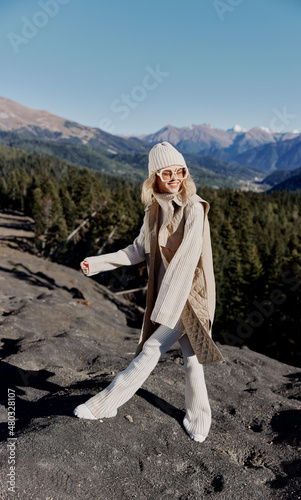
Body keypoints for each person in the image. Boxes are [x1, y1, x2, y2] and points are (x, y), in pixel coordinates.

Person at [74, 141, 224, 442]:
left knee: (153, 349)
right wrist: (99, 262)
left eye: (180, 171)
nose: (175, 178)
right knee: (192, 358)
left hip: (189, 297)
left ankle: (106, 403)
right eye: (167, 172)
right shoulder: (154, 208)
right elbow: (138, 250)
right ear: (154, 175)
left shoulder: (195, 207)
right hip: (170, 296)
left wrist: (167, 307)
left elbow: (186, 259)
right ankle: (199, 416)